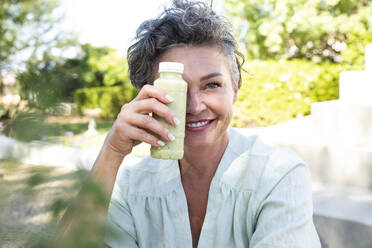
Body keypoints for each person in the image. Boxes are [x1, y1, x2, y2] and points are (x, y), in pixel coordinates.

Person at [55, 0, 321, 247]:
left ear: (235, 90)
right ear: (148, 96)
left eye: (212, 85)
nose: (194, 107)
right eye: (178, 90)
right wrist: (111, 153)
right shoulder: (131, 187)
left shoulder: (278, 175)